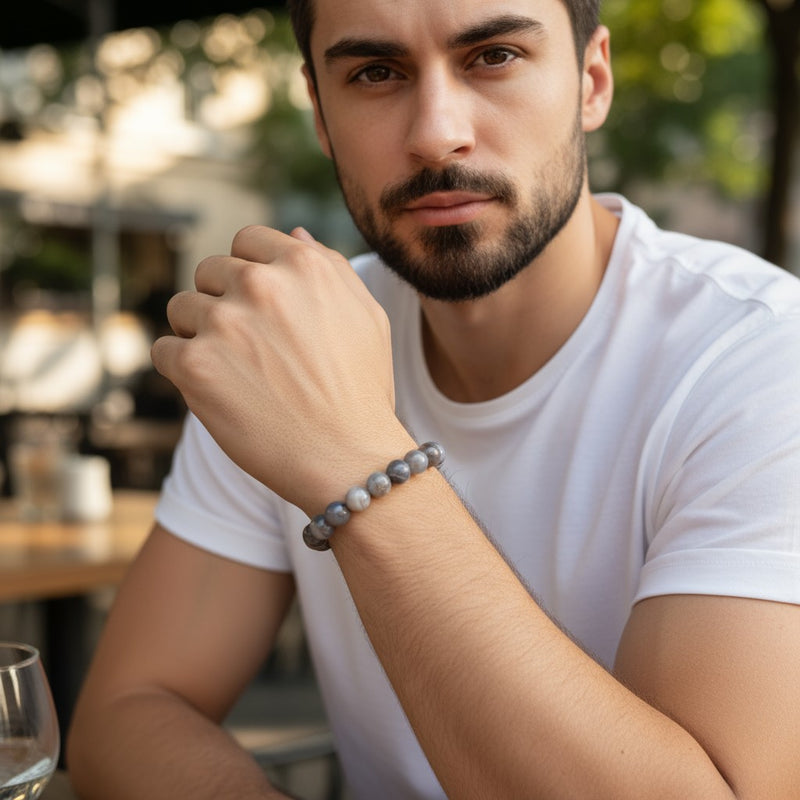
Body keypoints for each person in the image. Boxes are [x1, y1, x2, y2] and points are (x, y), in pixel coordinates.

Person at [66, 0, 800, 798]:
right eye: (375, 73)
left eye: (493, 57)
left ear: (591, 82)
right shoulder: (288, 340)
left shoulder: (757, 357)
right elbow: (128, 711)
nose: (435, 132)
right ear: (320, 112)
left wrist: (354, 455)